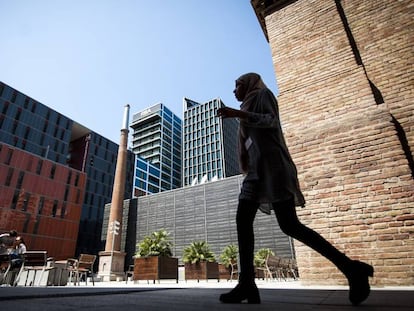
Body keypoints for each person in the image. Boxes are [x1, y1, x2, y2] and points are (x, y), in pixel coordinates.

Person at [217, 72, 374, 306]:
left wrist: (238, 113)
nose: (234, 90)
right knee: (243, 220)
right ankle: (247, 283)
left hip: (273, 168)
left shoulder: (263, 95)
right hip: (256, 173)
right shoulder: (248, 106)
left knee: (289, 225)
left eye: (237, 85)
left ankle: (351, 269)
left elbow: (270, 120)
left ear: (249, 84)